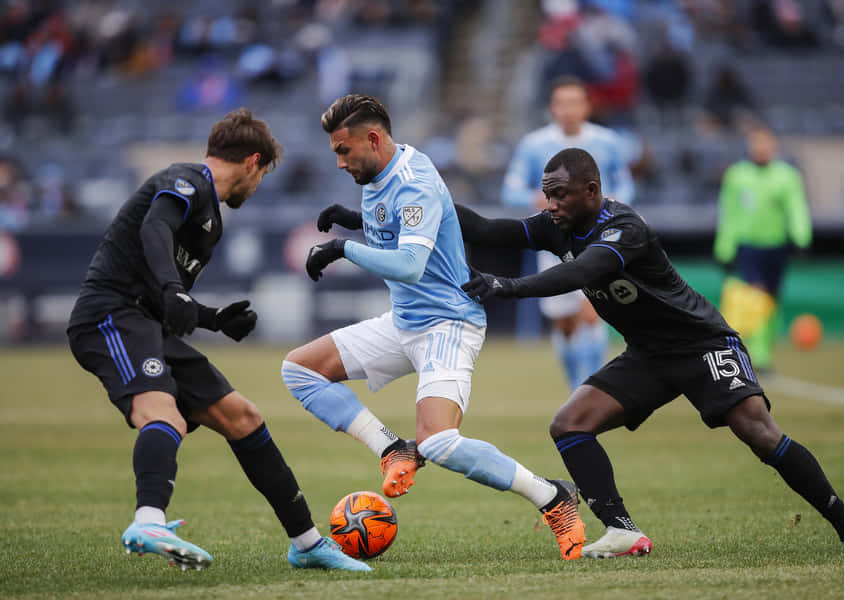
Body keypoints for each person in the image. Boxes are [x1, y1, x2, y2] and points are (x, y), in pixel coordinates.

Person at [456, 147, 844, 557]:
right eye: (547, 194)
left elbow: (582, 271)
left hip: (701, 342)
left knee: (759, 433)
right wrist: (427, 195)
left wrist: (506, 286)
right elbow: (488, 229)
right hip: (649, 355)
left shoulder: (624, 227)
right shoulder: (557, 224)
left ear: (591, 190)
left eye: (559, 194)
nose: (550, 204)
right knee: (569, 424)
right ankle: (621, 530)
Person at [282, 94, 586, 560]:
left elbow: (408, 264)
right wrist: (357, 221)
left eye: (344, 151)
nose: (340, 162)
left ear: (373, 138)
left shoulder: (415, 179)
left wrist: (343, 248)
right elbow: (396, 224)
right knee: (298, 370)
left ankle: (553, 498)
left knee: (440, 443)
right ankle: (391, 449)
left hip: (449, 323)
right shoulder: (377, 172)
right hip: (404, 323)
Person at [66, 109, 370, 573]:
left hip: (146, 320)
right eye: (263, 174)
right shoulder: (187, 180)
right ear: (253, 162)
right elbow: (155, 228)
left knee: (243, 417)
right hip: (110, 315)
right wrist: (174, 291)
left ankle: (307, 544)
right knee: (161, 411)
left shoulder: (212, 219)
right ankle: (148, 520)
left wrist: (213, 319)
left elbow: (163, 290)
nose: (258, 184)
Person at [501, 76, 635, 390]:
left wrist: (616, 199)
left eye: (575, 102)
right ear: (553, 107)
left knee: (591, 312)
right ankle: (575, 385)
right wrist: (535, 198)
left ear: (586, 106)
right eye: (562, 103)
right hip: (555, 242)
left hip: (597, 238)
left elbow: (626, 182)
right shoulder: (534, 145)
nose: (568, 110)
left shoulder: (606, 141)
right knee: (564, 323)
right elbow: (511, 189)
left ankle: (592, 388)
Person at [714, 126, 812, 371]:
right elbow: (729, 213)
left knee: (772, 301)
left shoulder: (787, 176)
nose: (760, 148)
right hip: (749, 246)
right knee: (756, 298)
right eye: (756, 143)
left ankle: (765, 350)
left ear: (773, 145)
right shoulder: (737, 175)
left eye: (765, 143)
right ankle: (756, 356)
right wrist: (724, 247)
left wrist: (801, 237)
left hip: (777, 246)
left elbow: (796, 207)